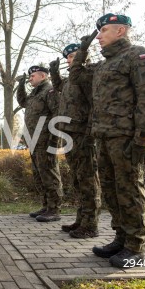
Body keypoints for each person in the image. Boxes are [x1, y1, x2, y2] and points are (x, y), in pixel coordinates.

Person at [69, 13, 145, 268]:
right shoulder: (103, 65)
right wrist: (84, 49)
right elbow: (76, 78)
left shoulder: (137, 55)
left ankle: (135, 246)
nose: (99, 36)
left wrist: (142, 138)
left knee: (129, 189)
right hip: (104, 137)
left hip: (126, 137)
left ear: (121, 31)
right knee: (111, 190)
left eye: (104, 31)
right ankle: (121, 239)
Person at [49, 44, 101, 238]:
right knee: (79, 180)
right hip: (70, 134)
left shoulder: (87, 74)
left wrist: (89, 132)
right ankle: (82, 220)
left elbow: (94, 102)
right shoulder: (72, 79)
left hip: (82, 134)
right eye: (67, 58)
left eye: (72, 56)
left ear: (83, 56)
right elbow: (61, 87)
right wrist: (54, 73)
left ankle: (91, 224)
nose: (69, 60)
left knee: (88, 180)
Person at [17, 66, 63, 222]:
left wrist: (54, 142)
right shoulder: (34, 94)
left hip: (45, 141)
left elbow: (57, 115)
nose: (30, 78)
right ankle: (46, 206)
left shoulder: (49, 92)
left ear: (43, 76)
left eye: (33, 76)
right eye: (29, 76)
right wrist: (21, 84)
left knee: (50, 174)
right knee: (40, 175)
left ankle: (54, 209)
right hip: (34, 141)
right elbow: (22, 101)